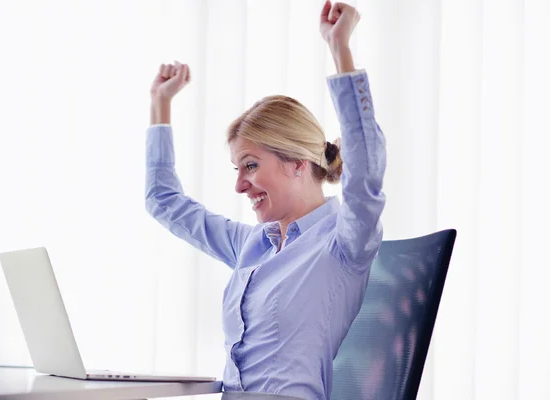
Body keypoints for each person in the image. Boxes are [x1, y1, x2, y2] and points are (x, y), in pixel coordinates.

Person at [145, 1, 386, 399]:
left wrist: (339, 49)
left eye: (251, 166)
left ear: (295, 162)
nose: (240, 185)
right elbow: (164, 202)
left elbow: (367, 171)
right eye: (237, 169)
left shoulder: (344, 243)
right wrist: (160, 104)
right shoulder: (251, 246)